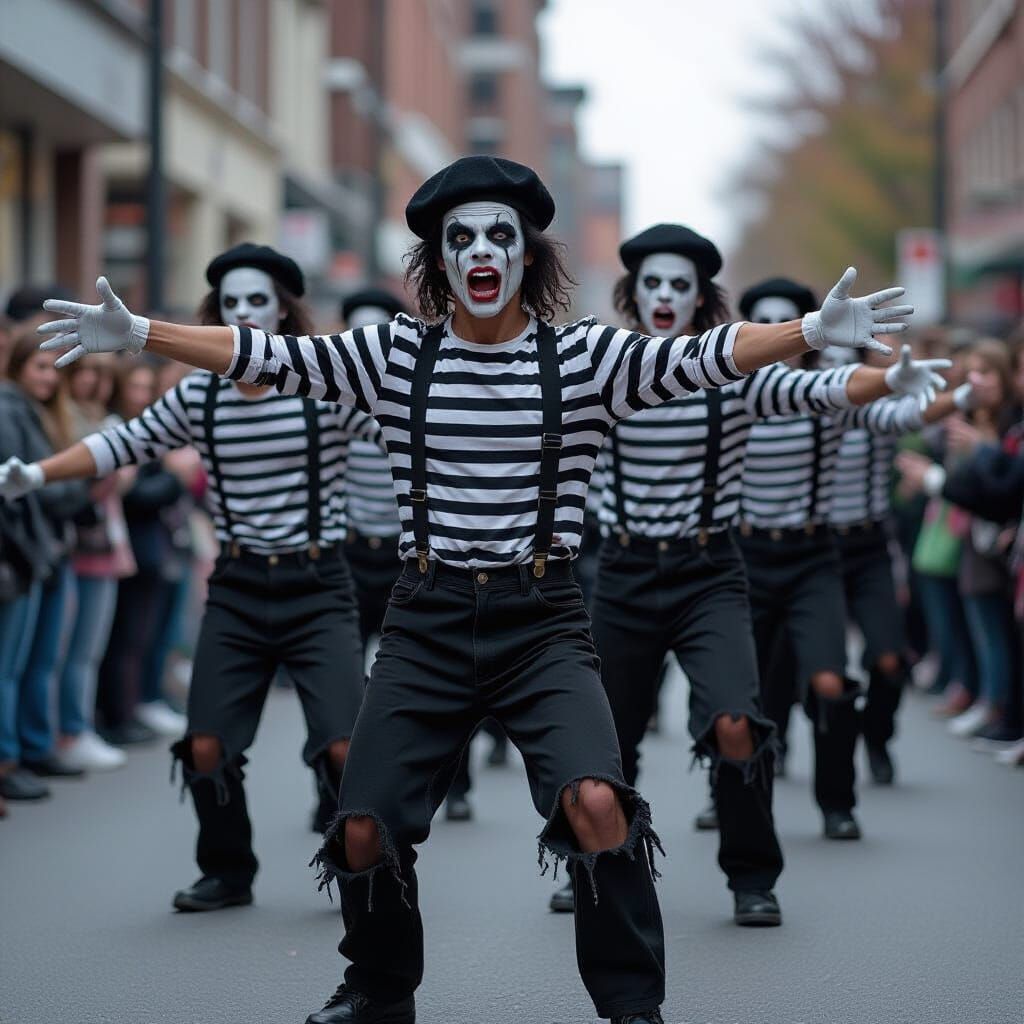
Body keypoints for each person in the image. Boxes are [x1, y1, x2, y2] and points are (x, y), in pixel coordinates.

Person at [32, 156, 912, 1024]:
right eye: (462, 239)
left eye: (501, 236)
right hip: (427, 620)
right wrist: (143, 333)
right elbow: (261, 351)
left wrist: (805, 331)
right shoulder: (388, 357)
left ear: (527, 255)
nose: (482, 251)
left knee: (599, 804)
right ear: (440, 261)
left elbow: (714, 355)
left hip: (543, 621)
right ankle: (380, 991)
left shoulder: (587, 360)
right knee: (364, 828)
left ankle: (633, 1008)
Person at [550, 226, 945, 926]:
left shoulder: (730, 372)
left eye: (681, 285)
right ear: (633, 295)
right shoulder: (601, 368)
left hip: (710, 573)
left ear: (700, 298)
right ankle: (597, 860)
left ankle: (752, 877)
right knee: (611, 732)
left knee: (736, 723)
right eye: (654, 284)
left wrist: (887, 380)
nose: (666, 296)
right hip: (625, 571)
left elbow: (818, 389)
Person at [2, 243, 374, 913]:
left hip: (319, 587)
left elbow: (396, 428)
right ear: (215, 314)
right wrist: (36, 474)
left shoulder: (322, 386)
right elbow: (121, 442)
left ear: (284, 313)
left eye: (256, 301)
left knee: (344, 746)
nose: (243, 314)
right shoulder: (200, 393)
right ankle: (228, 870)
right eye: (230, 304)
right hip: (236, 589)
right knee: (205, 746)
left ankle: (354, 857)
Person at [735, 277, 955, 842]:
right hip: (744, 556)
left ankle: (838, 801)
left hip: (815, 554)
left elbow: (891, 418)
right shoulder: (727, 398)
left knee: (832, 680)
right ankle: (734, 796)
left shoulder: (825, 394)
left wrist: (942, 394)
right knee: (743, 697)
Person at [0, 330, 90, 783]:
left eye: (55, 369)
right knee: (10, 667)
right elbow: (31, 490)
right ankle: (10, 759)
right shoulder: (8, 411)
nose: (50, 379)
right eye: (39, 367)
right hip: (23, 555)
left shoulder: (35, 413)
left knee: (36, 662)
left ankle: (31, 748)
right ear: (16, 366)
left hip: (42, 552)